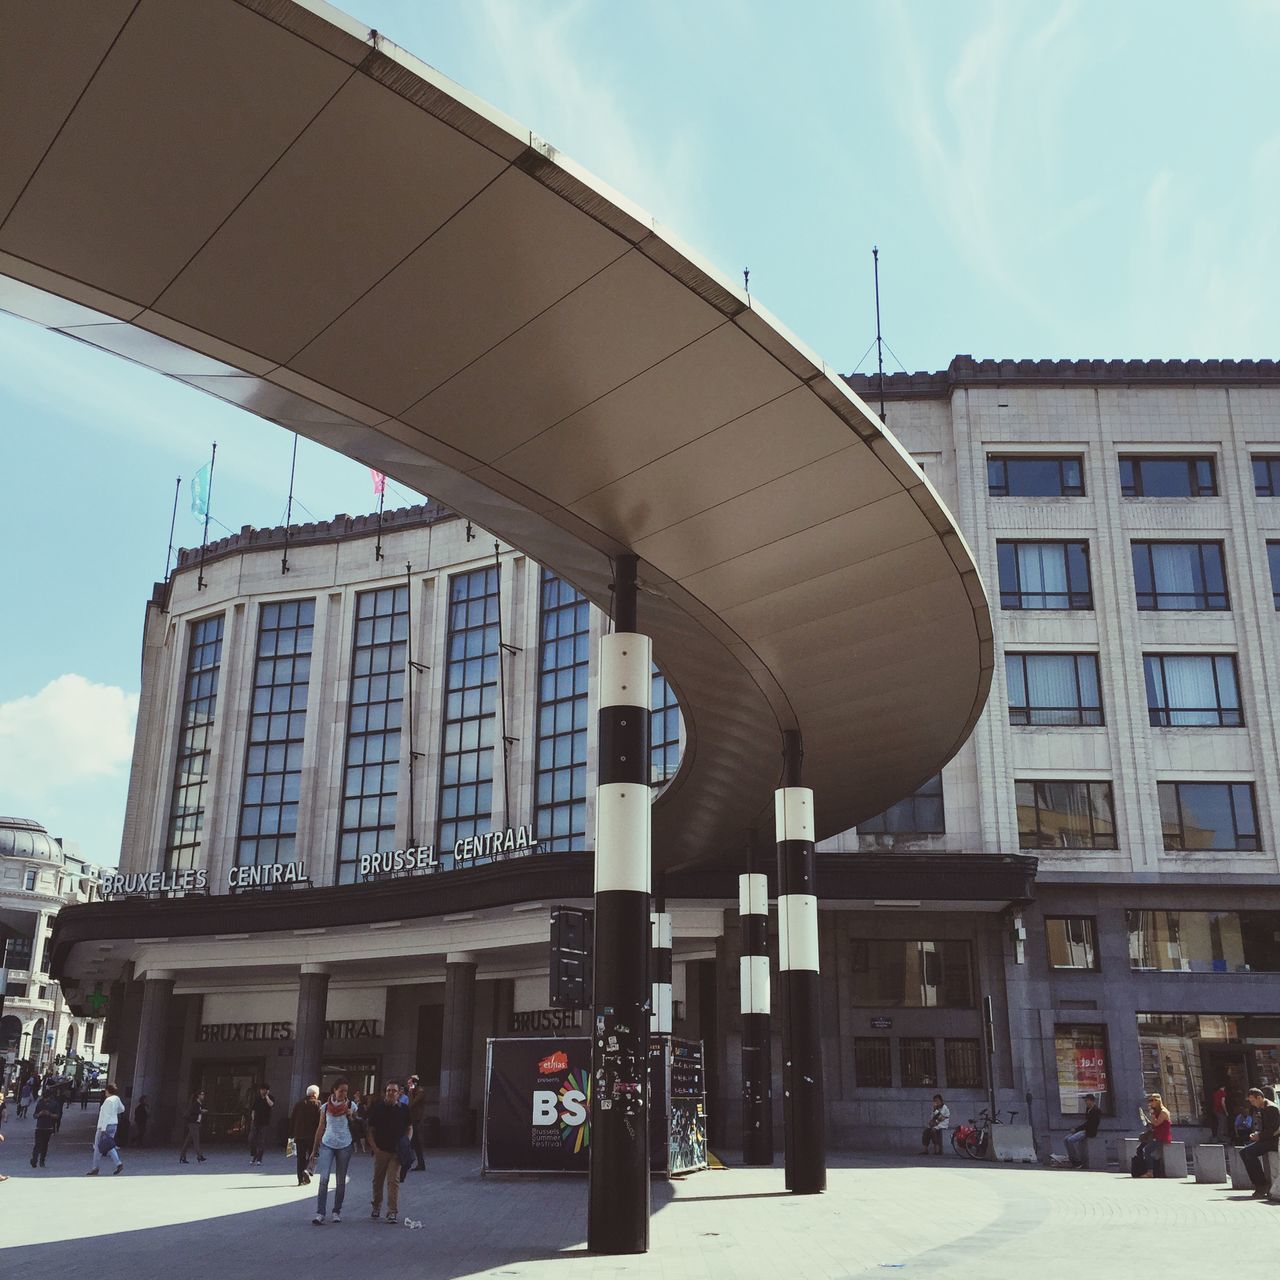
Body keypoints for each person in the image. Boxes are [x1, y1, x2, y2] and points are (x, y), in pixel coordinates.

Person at [310, 1077, 354, 1225]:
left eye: (346, 1091)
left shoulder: (351, 1105)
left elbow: (357, 1122)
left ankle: (336, 1211)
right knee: (324, 1179)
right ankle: (320, 1212)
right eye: (341, 1090)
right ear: (334, 1090)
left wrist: (351, 1115)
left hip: (345, 1144)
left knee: (341, 1181)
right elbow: (320, 1127)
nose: (343, 1093)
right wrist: (314, 1149)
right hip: (327, 1144)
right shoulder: (324, 1107)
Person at [367, 1080, 412, 1224]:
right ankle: (376, 1206)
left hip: (396, 1151)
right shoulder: (378, 1108)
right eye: (388, 1090)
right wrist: (375, 1148)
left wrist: (407, 1142)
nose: (390, 1093)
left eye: (393, 1091)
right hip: (381, 1150)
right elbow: (370, 1130)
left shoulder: (404, 1109)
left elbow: (410, 1127)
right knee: (378, 1180)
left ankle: (392, 1211)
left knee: (393, 1181)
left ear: (399, 1093)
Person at [1240, 1086, 1280, 1199]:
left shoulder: (1271, 1108)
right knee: (1243, 1152)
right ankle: (1259, 1183)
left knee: (1249, 1152)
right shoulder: (1262, 1108)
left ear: (1259, 1098)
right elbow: (1265, 1128)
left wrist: (1259, 1136)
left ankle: (1262, 1184)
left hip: (1275, 1141)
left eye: (1253, 1101)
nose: (1252, 1104)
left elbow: (1274, 1130)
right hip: (1267, 1139)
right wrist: (1257, 1134)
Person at [87, 1081, 125, 1175]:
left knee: (97, 1147)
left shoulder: (108, 1101)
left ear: (107, 1091)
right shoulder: (116, 1098)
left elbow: (106, 1115)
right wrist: (114, 1113)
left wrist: (103, 1129)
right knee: (109, 1145)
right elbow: (122, 1109)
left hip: (104, 1126)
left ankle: (95, 1167)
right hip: (113, 1124)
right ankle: (118, 1163)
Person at [1133, 1093, 1172, 1178]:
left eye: (1151, 1101)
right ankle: (1141, 1168)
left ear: (1157, 1101)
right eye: (1149, 1101)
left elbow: (1157, 1123)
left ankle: (1150, 1171)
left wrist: (1152, 1115)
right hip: (1155, 1135)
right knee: (1140, 1148)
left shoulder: (1163, 1112)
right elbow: (1154, 1124)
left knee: (1147, 1150)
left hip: (1162, 1137)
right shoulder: (1156, 1112)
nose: (1150, 1103)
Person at [289, 1085, 321, 1185]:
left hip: (299, 1135)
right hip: (312, 1135)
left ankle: (300, 1179)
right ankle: (308, 1170)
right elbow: (320, 1121)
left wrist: (291, 1134)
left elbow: (292, 1119)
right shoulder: (317, 1103)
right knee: (314, 1154)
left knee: (300, 1157)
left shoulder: (298, 1104)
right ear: (315, 1094)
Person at [1065, 1093, 1101, 1167]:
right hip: (1084, 1130)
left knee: (1070, 1140)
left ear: (1092, 1101)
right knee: (1065, 1139)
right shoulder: (1088, 1109)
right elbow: (1086, 1122)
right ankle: (1072, 1159)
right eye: (1085, 1100)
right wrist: (1077, 1129)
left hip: (1089, 1131)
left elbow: (1091, 1123)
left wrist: (1077, 1130)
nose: (1085, 1102)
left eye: (1087, 1100)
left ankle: (1077, 1161)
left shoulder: (1096, 1110)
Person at [31, 1087, 62, 1168]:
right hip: (40, 1127)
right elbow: (35, 1115)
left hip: (48, 1127)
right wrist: (40, 1114)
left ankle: (41, 1160)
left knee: (44, 1144)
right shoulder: (40, 1103)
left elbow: (57, 1116)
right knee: (38, 1144)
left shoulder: (54, 1104)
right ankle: (35, 1160)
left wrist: (49, 1114)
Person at [178, 1090, 207, 1163]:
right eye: (202, 1094)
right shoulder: (195, 1104)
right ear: (198, 1096)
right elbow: (193, 1112)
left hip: (195, 1124)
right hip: (193, 1124)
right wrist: (201, 1111)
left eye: (203, 1094)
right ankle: (199, 1156)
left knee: (188, 1141)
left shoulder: (199, 1104)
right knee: (196, 1140)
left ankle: (182, 1156)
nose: (203, 1096)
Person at [249, 1083, 274, 1165]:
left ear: (267, 1091)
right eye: (261, 1090)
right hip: (256, 1122)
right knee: (251, 1138)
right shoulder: (257, 1098)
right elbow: (253, 1110)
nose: (262, 1091)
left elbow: (271, 1104)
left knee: (261, 1141)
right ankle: (253, 1155)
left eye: (263, 1090)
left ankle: (259, 1159)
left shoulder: (270, 1098)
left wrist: (266, 1096)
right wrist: (252, 1119)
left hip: (265, 1123)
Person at [407, 1075, 428, 1171]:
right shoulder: (416, 1091)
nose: (408, 1085)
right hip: (413, 1118)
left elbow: (411, 1104)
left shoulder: (420, 1092)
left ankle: (413, 1162)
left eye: (410, 1083)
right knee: (415, 1142)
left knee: (415, 1142)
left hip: (417, 1119)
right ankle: (420, 1163)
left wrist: (410, 1092)